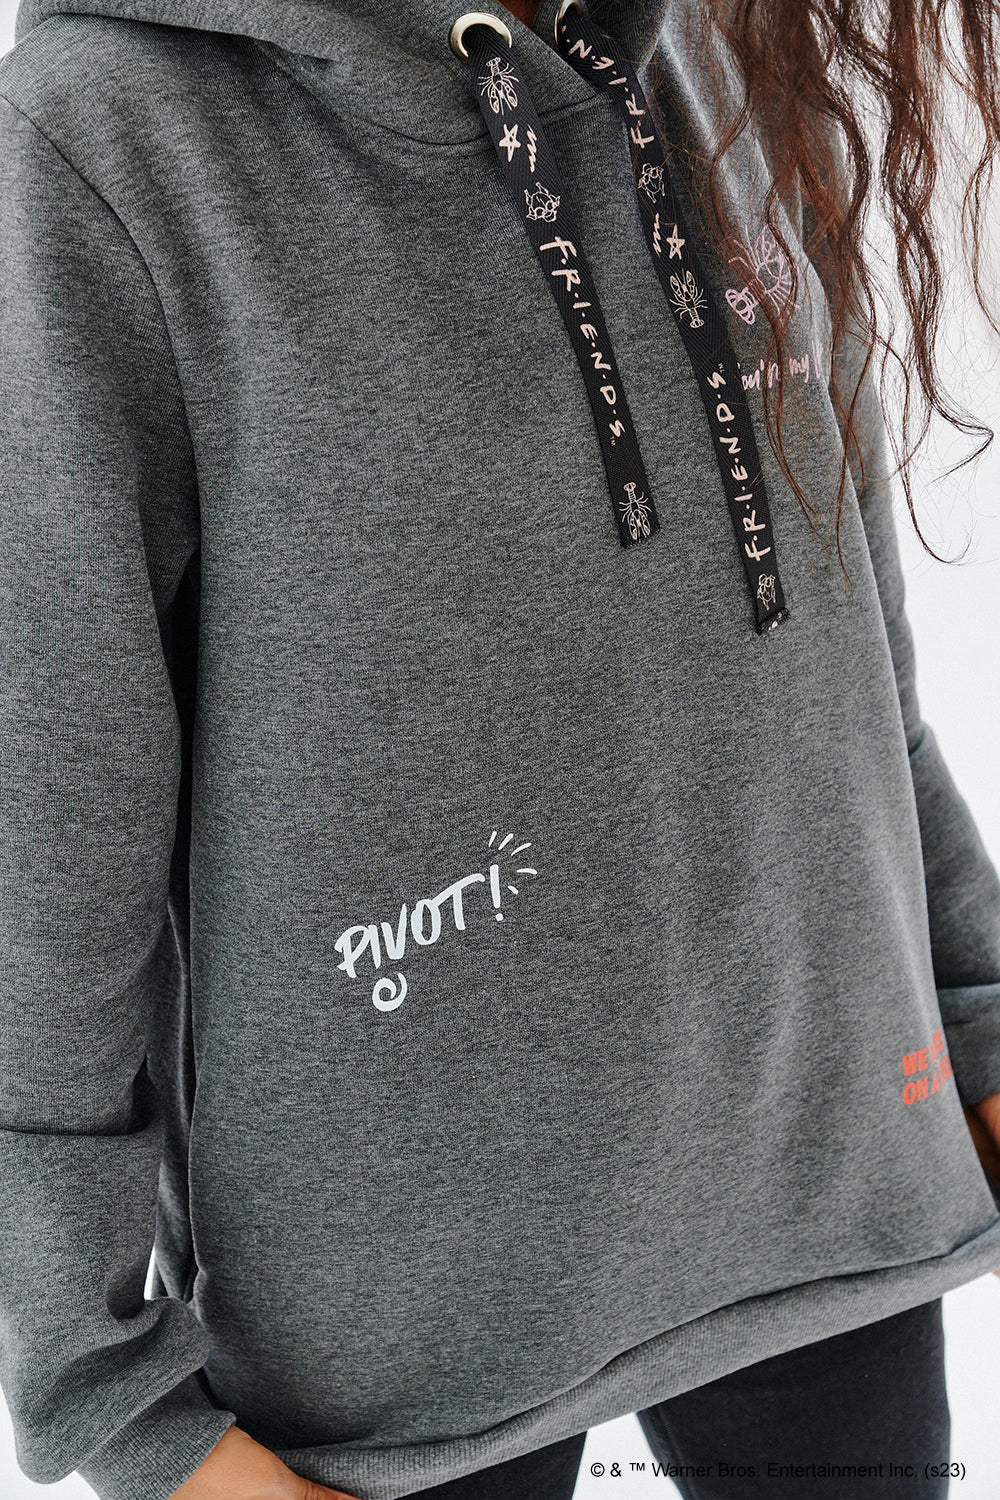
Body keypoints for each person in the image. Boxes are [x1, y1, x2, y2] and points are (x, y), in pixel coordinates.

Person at [1, 0, 999, 1496]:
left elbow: (853, 667)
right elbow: (50, 831)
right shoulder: (105, 139)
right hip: (405, 1349)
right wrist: (101, 1389)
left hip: (836, 1205)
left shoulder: (725, 46)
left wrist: (978, 1010)